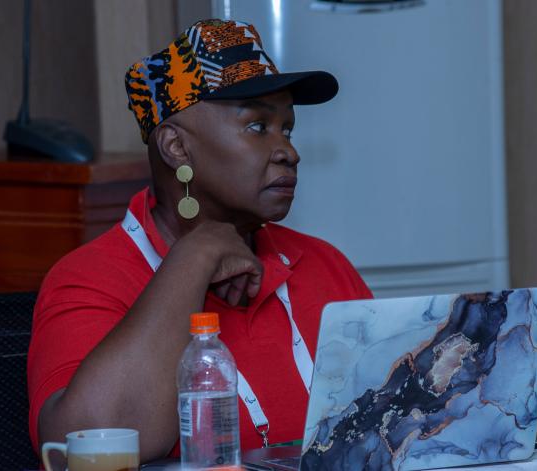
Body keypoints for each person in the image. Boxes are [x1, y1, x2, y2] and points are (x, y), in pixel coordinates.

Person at [27, 19, 372, 463]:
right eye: (257, 126)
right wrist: (194, 257)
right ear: (176, 148)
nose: (289, 151)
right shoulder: (90, 279)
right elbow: (85, 449)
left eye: (286, 128)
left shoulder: (323, 264)